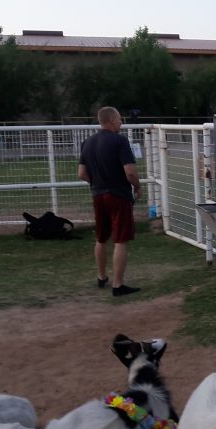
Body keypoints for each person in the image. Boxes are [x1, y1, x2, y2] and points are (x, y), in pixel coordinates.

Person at [78, 106, 142, 296]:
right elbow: (129, 171)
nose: (121, 123)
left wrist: (97, 182)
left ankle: (101, 276)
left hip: (98, 194)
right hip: (118, 195)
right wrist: (137, 187)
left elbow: (81, 173)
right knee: (121, 239)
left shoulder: (87, 142)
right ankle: (118, 285)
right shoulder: (120, 141)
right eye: (120, 120)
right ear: (112, 120)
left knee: (101, 237)